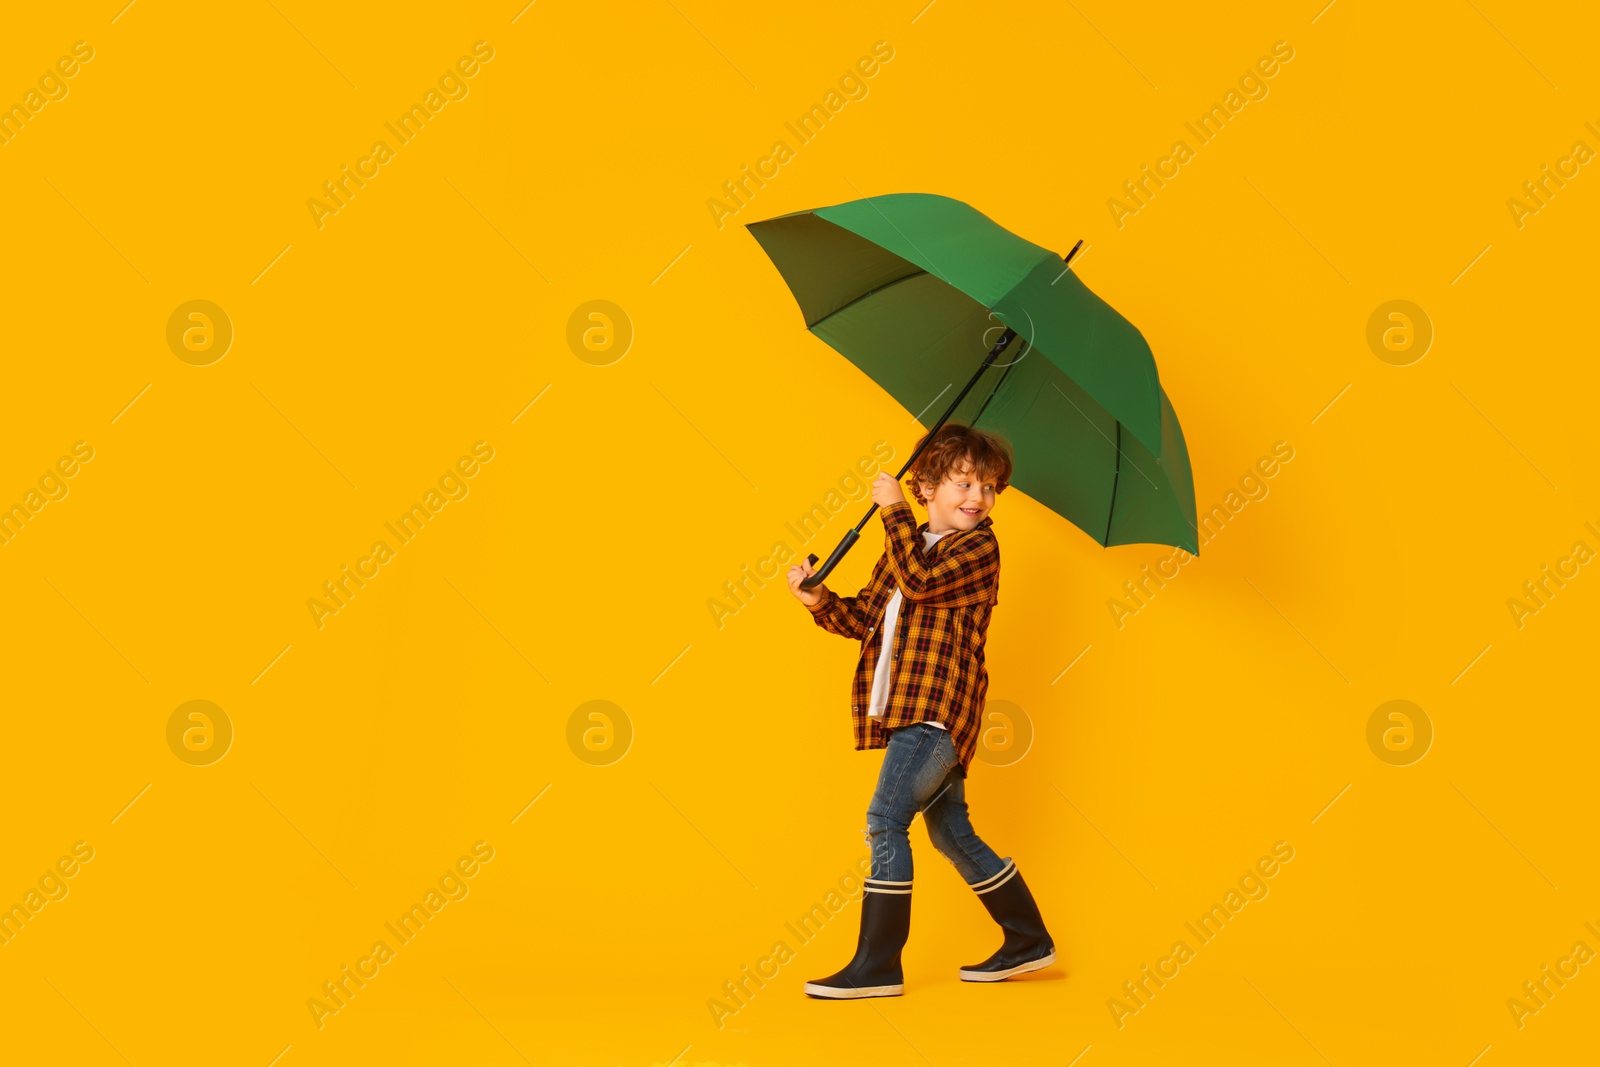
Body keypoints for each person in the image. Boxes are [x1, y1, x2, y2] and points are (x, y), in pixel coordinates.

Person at [787, 422, 1055, 999]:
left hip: (937, 714)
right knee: (950, 832)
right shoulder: (904, 549)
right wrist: (820, 599)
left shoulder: (978, 547)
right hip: (906, 709)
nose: (977, 498)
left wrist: (893, 513)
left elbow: (922, 581)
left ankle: (877, 964)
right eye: (963, 482)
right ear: (927, 484)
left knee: (886, 821)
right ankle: (1029, 938)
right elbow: (867, 621)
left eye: (988, 488)